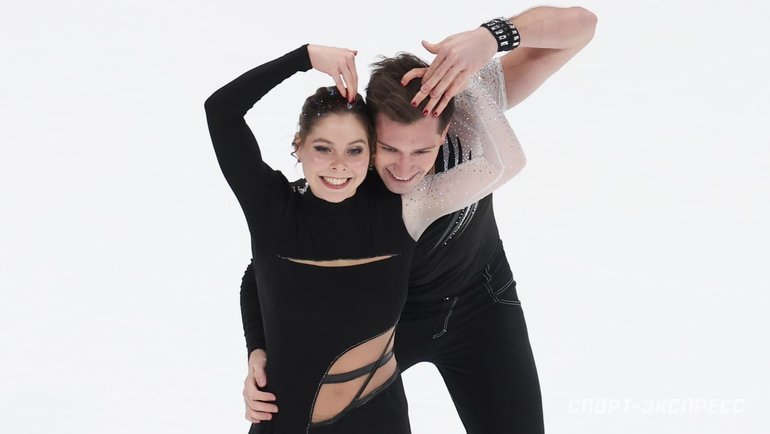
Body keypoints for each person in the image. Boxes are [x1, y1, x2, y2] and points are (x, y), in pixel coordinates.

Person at [239, 6, 597, 433]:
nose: (405, 168)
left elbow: (582, 27)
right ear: (367, 134)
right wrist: (260, 351)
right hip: (383, 326)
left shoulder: (463, 111)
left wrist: (491, 37)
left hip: (478, 305)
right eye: (389, 149)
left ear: (445, 129)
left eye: (422, 151)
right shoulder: (341, 182)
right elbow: (264, 270)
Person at [205, 40, 524, 433]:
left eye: (355, 151)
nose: (339, 165)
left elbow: (505, 163)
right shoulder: (272, 209)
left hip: (381, 420)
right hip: (286, 422)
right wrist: (303, 58)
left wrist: (460, 81)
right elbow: (220, 111)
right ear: (298, 147)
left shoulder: (407, 209)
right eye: (323, 148)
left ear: (370, 151)